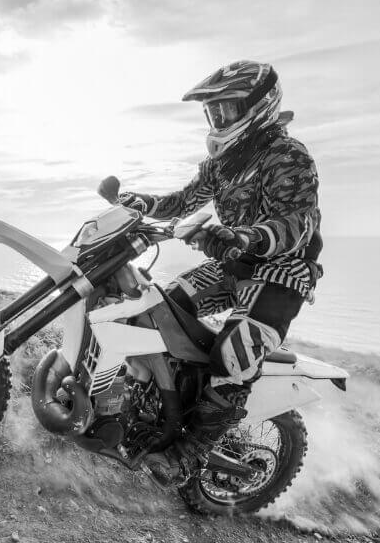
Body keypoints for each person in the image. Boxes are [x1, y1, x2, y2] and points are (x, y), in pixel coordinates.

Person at [117, 60, 323, 450]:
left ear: (258, 106)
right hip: (232, 265)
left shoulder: (288, 156)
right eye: (213, 111)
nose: (218, 118)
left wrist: (243, 237)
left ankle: (190, 452)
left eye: (226, 109)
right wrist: (146, 204)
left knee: (233, 354)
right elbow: (184, 199)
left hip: (282, 272)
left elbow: (297, 224)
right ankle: (142, 409)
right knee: (150, 316)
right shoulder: (222, 163)